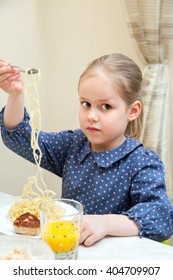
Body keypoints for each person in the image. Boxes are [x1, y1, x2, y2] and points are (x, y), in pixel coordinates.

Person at [0, 54, 173, 247]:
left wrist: (106, 224)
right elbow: (20, 138)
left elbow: (162, 217)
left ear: (133, 111)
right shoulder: (73, 144)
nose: (91, 115)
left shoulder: (142, 162)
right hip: (69, 253)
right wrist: (15, 95)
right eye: (86, 104)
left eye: (105, 106)